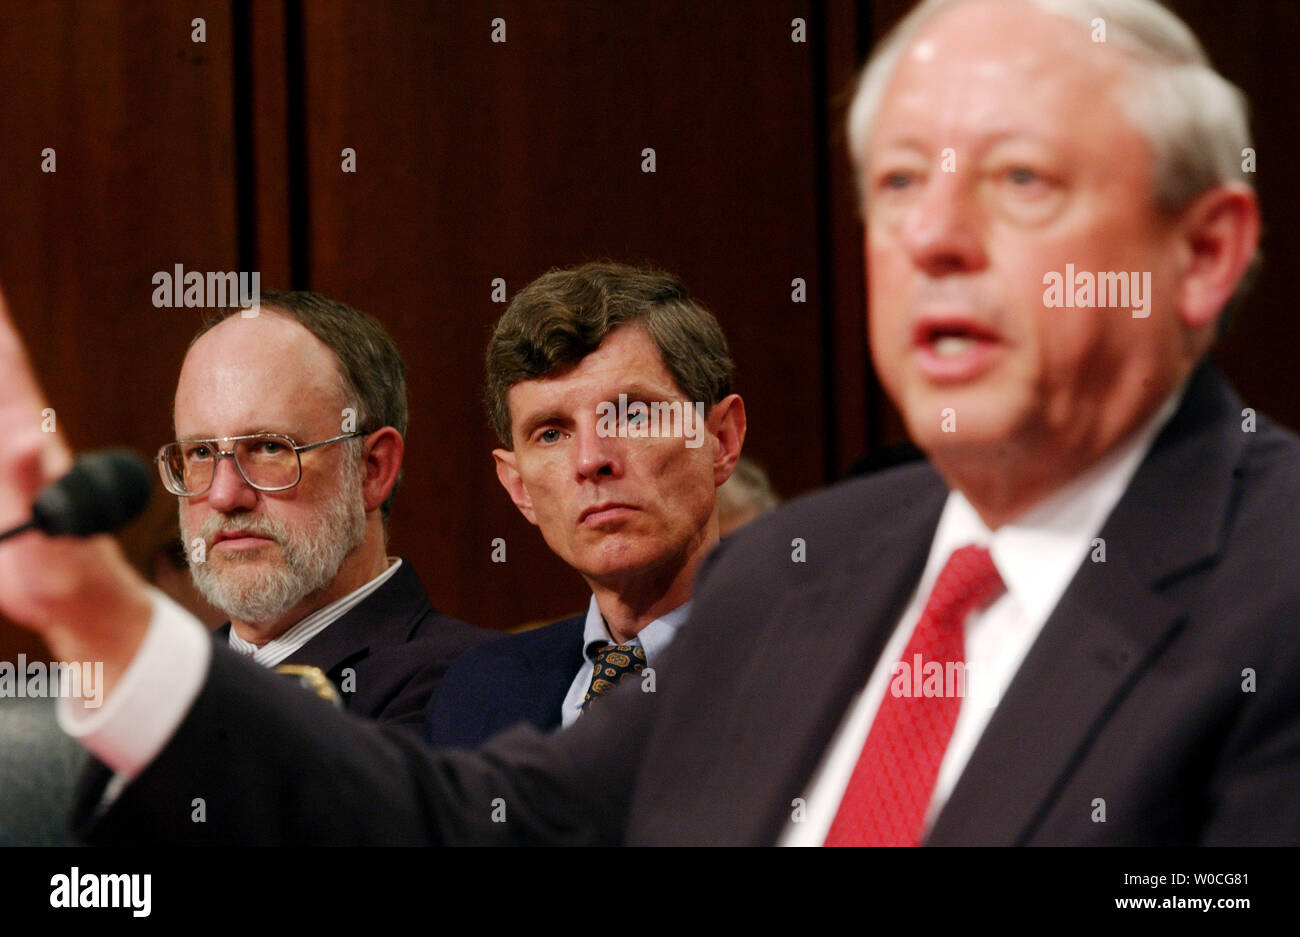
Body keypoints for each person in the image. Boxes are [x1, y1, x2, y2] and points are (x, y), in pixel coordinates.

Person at [0, 0, 1295, 845]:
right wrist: (102, 620)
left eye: (1020, 180)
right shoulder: (811, 568)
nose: (934, 238)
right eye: (897, 183)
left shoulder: (1273, 579)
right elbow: (483, 829)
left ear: (1201, 250)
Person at [424, 263, 746, 748]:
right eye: (551, 433)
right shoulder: (476, 694)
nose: (592, 460)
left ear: (720, 439)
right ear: (519, 488)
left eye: (633, 415)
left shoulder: (819, 665)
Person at [159, 291, 492, 731]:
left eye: (269, 447)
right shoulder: (164, 688)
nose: (223, 495)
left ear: (372, 470)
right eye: (200, 452)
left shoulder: (475, 681)